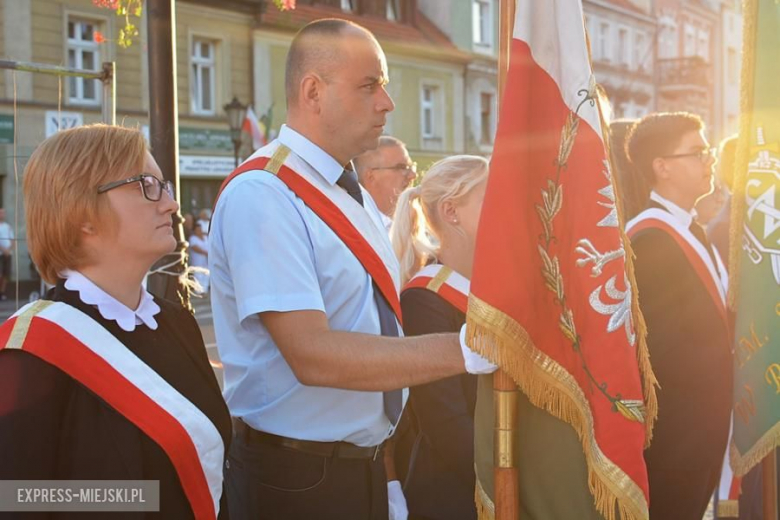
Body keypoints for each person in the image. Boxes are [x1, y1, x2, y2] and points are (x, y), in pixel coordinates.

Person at [209, 18, 492, 520]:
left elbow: (366, 329)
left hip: (357, 466)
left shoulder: (347, 190)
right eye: (369, 85)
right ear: (313, 92)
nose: (387, 102)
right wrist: (467, 348)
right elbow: (313, 354)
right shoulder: (264, 193)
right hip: (295, 477)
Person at [0, 125, 231, 519]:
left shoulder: (176, 323)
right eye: (146, 185)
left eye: (165, 186)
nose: (171, 205)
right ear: (83, 215)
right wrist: (152, 499)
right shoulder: (30, 352)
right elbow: (18, 497)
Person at [624, 112, 732, 520]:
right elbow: (664, 351)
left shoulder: (691, 230)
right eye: (698, 152)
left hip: (703, 428)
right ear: (662, 167)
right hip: (677, 437)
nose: (710, 161)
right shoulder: (651, 238)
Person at [389, 155, 488, 520]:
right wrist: (502, 485)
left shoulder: (493, 288)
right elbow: (445, 424)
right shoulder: (424, 298)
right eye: (490, 198)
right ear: (451, 211)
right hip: (458, 494)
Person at [354, 136, 416, 231]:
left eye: (411, 167)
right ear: (371, 177)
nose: (412, 175)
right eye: (401, 167)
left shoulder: (418, 226)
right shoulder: (358, 228)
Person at [189, 221, 210, 294]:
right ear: (195, 230)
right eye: (197, 230)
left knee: (206, 275)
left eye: (200, 229)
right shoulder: (193, 238)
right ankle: (199, 292)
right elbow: (194, 247)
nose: (199, 231)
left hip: (206, 260)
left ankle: (205, 291)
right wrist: (205, 253)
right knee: (198, 276)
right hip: (197, 261)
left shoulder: (205, 237)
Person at [0, 208, 14, 300]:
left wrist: (8, 250)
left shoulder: (8, 226)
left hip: (8, 254)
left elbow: (13, 240)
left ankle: (2, 293)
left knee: (6, 274)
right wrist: (3, 249)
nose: (2, 215)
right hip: (0, 253)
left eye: (3, 213)